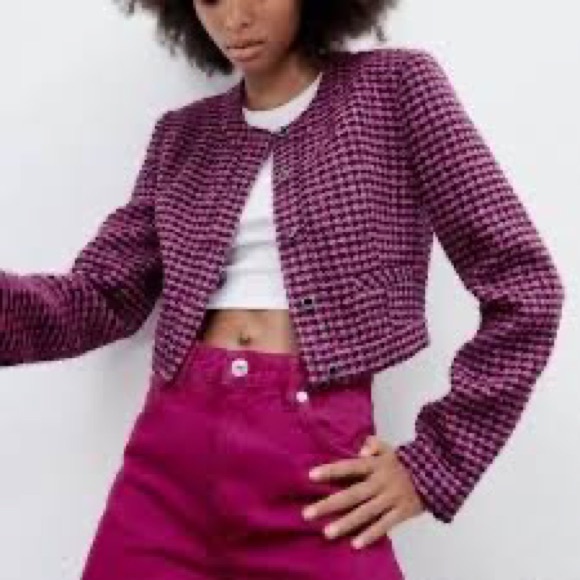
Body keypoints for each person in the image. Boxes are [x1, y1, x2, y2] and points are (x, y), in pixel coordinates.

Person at [0, 0, 564, 578]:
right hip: (167, 464)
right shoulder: (181, 136)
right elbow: (99, 297)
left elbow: (526, 286)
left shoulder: (396, 88)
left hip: (317, 462)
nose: (233, 19)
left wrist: (435, 464)